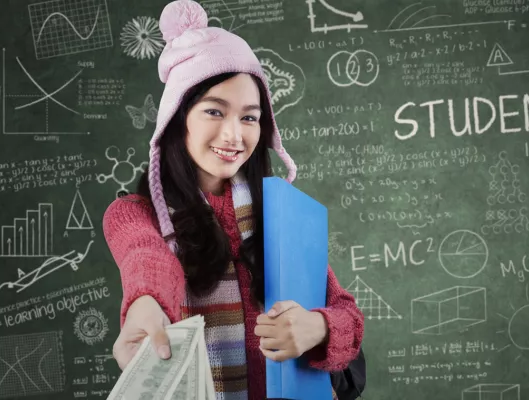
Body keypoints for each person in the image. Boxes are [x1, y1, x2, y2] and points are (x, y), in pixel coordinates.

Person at [102, 0, 365, 399]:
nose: (233, 136)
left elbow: (346, 313)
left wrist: (321, 327)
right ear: (178, 118)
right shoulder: (135, 214)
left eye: (249, 117)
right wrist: (146, 303)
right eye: (214, 111)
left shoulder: (283, 213)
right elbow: (146, 259)